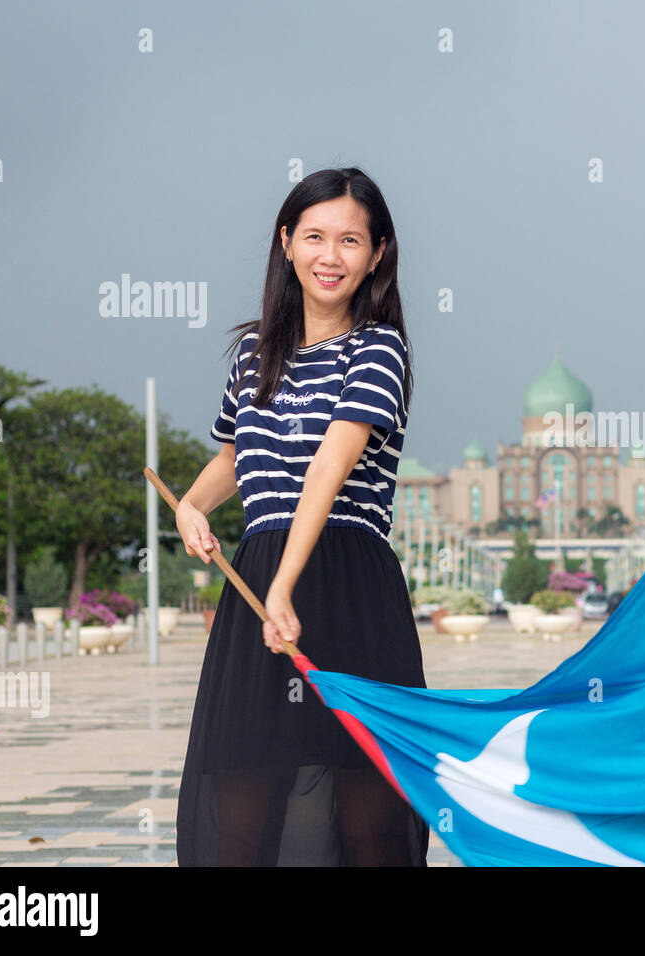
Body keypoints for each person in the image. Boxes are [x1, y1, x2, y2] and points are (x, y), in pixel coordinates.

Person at [174, 167, 429, 866]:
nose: (330, 255)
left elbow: (327, 467)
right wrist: (192, 508)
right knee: (241, 814)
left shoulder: (379, 350)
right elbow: (237, 457)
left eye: (351, 240)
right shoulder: (254, 356)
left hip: (347, 588)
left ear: (377, 254)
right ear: (287, 243)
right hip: (256, 587)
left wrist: (286, 586)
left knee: (370, 821)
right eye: (315, 236)